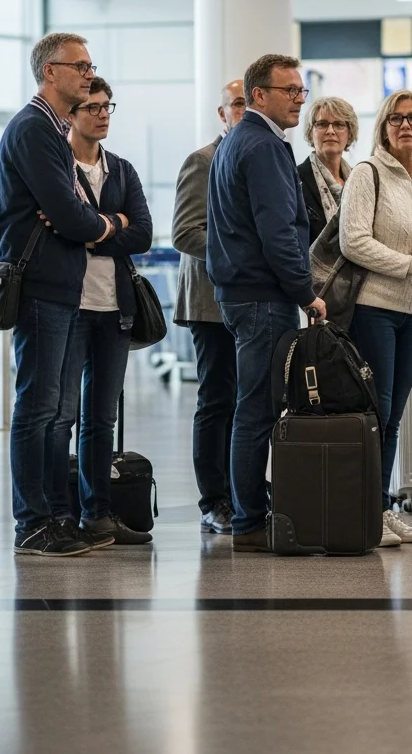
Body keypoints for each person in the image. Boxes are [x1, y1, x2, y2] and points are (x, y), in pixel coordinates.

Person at [0, 32, 116, 557]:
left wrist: (84, 217)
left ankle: (56, 515)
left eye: (89, 65)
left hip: (62, 285)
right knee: (38, 407)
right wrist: (107, 224)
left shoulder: (53, 129)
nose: (89, 74)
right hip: (41, 284)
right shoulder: (34, 129)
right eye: (80, 66)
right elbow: (68, 214)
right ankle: (32, 522)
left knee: (58, 411)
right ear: (50, 72)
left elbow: (70, 209)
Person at [206, 53, 327, 553]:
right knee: (257, 411)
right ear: (259, 95)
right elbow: (278, 233)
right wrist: (307, 293)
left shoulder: (240, 141)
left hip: (244, 293)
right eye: (289, 91)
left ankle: (249, 514)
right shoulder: (262, 146)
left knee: (251, 408)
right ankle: (250, 521)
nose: (299, 99)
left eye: (301, 91)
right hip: (262, 296)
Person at [339, 89, 412, 548]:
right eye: (396, 118)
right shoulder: (367, 173)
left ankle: (381, 508)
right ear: (384, 128)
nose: (405, 125)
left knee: (395, 415)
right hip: (374, 307)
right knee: (376, 411)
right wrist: (409, 262)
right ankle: (367, 510)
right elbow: (353, 241)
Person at [48, 75, 154, 548]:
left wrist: (93, 233)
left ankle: (97, 514)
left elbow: (143, 234)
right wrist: (114, 225)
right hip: (70, 306)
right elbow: (61, 230)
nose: (102, 114)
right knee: (61, 417)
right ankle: (59, 514)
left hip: (115, 308)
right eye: (92, 107)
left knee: (100, 419)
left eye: (107, 106)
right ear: (71, 114)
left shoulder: (122, 171)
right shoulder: (58, 167)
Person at [172, 79, 246, 535]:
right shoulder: (202, 161)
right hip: (211, 302)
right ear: (222, 113)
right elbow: (186, 233)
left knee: (248, 402)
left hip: (252, 301)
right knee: (218, 399)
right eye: (236, 104)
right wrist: (244, 257)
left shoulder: (261, 159)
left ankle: (243, 491)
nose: (243, 111)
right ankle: (214, 499)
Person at [297, 96, 359, 244]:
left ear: (350, 134)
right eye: (322, 124)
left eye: (339, 124)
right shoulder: (295, 178)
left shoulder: (359, 180)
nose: (330, 131)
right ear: (311, 132)